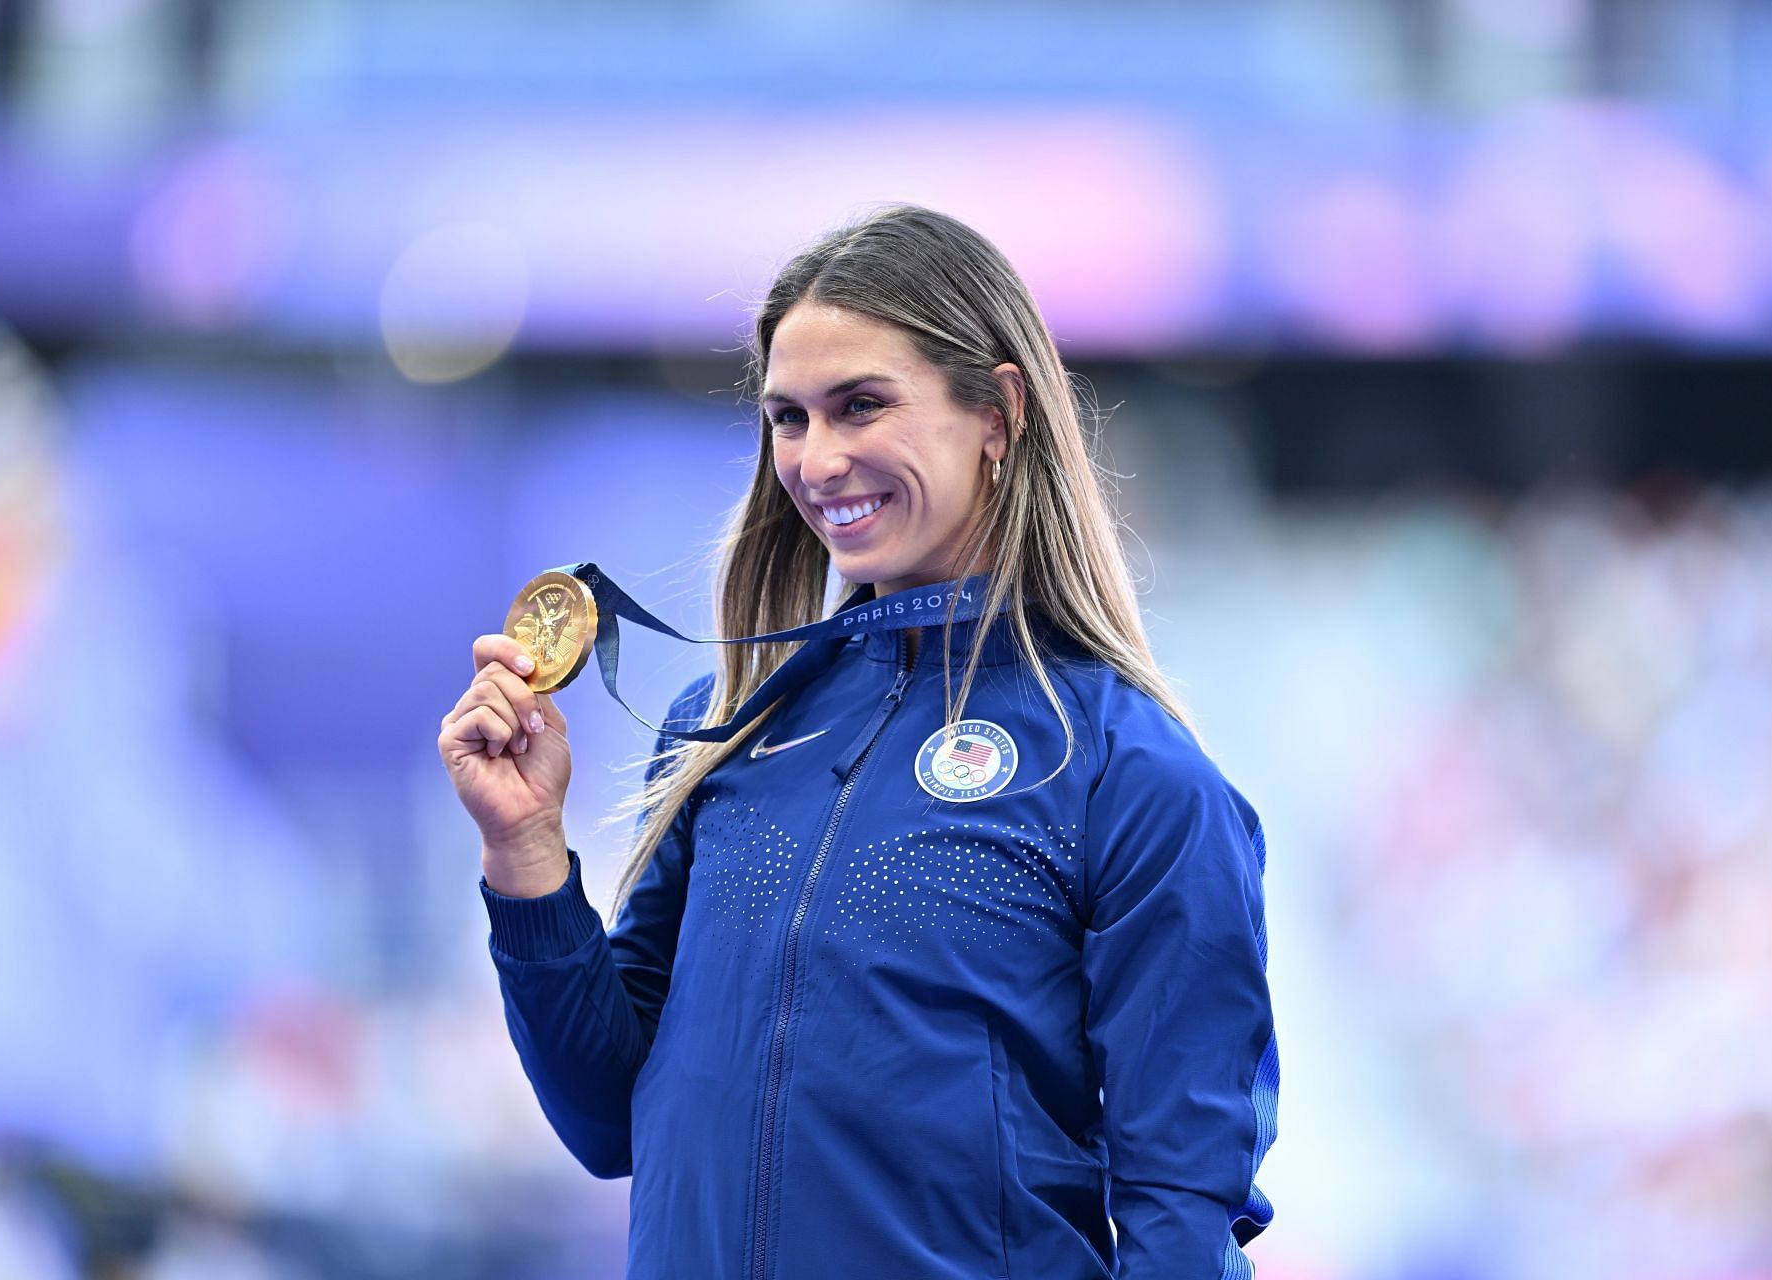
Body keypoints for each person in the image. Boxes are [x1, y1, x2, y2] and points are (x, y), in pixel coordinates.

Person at [437, 204, 1280, 1280]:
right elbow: (609, 1117)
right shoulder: (731, 724)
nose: (818, 459)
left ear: (998, 410)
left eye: (862, 406)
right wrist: (525, 856)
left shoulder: (1129, 771)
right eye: (789, 417)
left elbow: (1183, 1214)